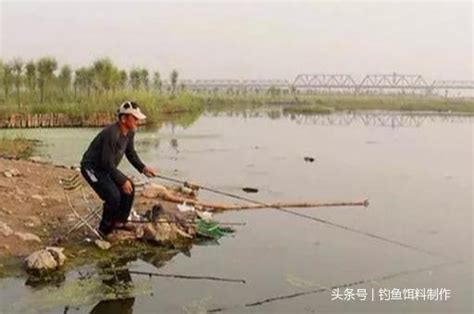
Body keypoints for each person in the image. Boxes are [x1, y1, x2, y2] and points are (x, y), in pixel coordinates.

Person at [80, 101, 156, 236]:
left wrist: (143, 168)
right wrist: (121, 180)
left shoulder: (130, 132)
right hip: (91, 168)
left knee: (129, 188)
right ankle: (105, 230)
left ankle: (120, 222)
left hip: (106, 168)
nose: (137, 121)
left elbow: (130, 153)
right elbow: (106, 162)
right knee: (113, 196)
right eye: (135, 118)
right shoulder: (111, 133)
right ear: (123, 118)